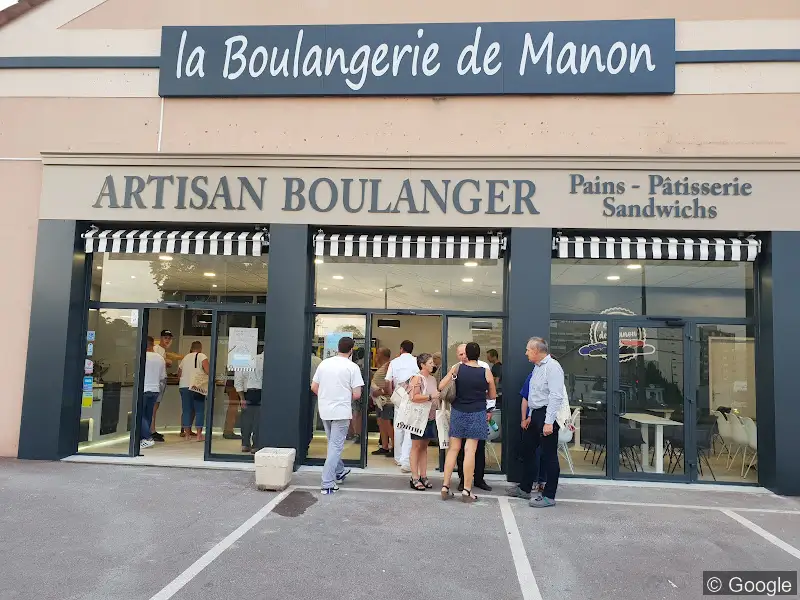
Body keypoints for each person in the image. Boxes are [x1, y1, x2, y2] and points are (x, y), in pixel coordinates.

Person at [507, 337, 565, 508]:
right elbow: (535, 395)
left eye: (528, 350)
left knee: (549, 456)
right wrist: (530, 416)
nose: (526, 353)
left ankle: (549, 496)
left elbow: (556, 396)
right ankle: (525, 489)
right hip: (535, 415)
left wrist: (548, 422)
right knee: (528, 450)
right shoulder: (537, 368)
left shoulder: (553, 367)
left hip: (547, 415)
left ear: (537, 351)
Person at [438, 342, 496, 503]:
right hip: (477, 412)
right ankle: (467, 490)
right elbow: (492, 395)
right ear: (479, 355)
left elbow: (441, 386)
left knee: (453, 449)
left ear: (466, 354)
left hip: (458, 412)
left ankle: (445, 487)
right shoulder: (486, 372)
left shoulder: (457, 368)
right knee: (470, 451)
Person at [311, 336, 364, 495]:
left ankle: (339, 471)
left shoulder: (324, 363)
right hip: (341, 411)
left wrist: (327, 397)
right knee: (335, 446)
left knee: (333, 443)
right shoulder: (352, 367)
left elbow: (314, 387)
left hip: (325, 410)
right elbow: (357, 394)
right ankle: (327, 483)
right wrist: (342, 397)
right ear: (351, 350)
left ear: (337, 348)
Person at [452, 343, 494, 492]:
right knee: (461, 450)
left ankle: (479, 479)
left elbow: (491, 392)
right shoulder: (456, 368)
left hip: (479, 412)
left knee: (479, 448)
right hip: (460, 412)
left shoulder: (484, 368)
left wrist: (489, 410)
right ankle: (463, 480)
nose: (463, 356)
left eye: (465, 353)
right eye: (460, 354)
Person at [406, 353, 440, 490]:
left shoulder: (432, 379)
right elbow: (413, 397)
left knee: (424, 447)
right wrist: (430, 396)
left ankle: (423, 475)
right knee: (416, 446)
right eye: (430, 363)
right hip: (418, 417)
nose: (433, 365)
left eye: (433, 363)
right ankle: (414, 477)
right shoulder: (417, 378)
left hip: (430, 416)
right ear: (422, 365)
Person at [386, 340, 419, 473]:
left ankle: (398, 458)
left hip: (399, 395)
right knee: (409, 427)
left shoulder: (394, 362)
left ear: (401, 349)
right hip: (412, 395)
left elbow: (388, 381)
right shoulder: (416, 361)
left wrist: (391, 395)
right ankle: (407, 459)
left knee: (398, 427)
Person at [177, 341, 209, 441]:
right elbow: (208, 371)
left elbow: (179, 373)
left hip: (184, 386)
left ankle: (187, 435)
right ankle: (199, 435)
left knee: (186, 410)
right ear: (200, 348)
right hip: (196, 386)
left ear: (191, 348)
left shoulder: (185, 357)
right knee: (199, 410)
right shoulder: (202, 356)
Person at [235, 344, 264, 453]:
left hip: (247, 393)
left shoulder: (243, 360)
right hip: (261, 392)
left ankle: (245, 444)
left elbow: (238, 381)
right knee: (258, 420)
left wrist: (241, 397)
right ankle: (256, 445)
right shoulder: (265, 360)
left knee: (246, 420)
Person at [141, 337, 166, 450]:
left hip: (143, 389)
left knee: (140, 415)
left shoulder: (141, 357)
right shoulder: (160, 358)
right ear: (152, 345)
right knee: (148, 414)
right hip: (155, 389)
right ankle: (145, 437)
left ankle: (147, 438)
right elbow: (162, 376)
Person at [150, 329, 174, 442]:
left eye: (169, 338)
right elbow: (155, 361)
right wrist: (166, 361)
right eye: (165, 338)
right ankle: (151, 431)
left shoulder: (162, 350)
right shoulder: (156, 349)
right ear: (161, 338)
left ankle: (152, 429)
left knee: (155, 407)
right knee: (153, 407)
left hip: (160, 380)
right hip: (157, 381)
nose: (167, 340)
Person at [370, 347, 394, 456]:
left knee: (387, 425)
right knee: (381, 424)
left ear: (383, 355)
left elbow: (390, 384)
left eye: (378, 353)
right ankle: (384, 446)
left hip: (386, 402)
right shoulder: (381, 367)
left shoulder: (388, 366)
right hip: (379, 402)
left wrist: (381, 392)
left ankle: (394, 447)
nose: (376, 355)